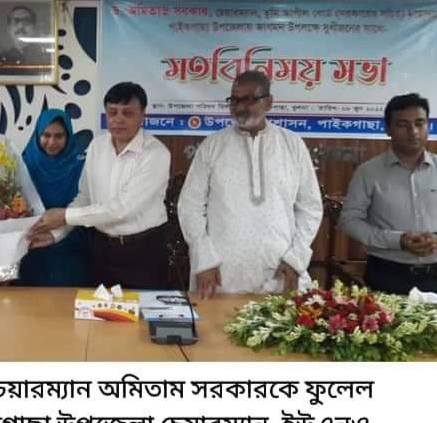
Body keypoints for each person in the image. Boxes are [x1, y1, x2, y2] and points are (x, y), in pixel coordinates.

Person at [178, 70, 323, 298]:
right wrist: (203, 259)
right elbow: (190, 206)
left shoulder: (292, 145)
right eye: (234, 100)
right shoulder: (212, 146)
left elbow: (310, 208)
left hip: (280, 270)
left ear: (269, 102)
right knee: (215, 322)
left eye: (249, 100)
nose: (240, 107)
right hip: (220, 273)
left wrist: (296, 259)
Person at [29, 82, 171, 289]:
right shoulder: (97, 146)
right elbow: (85, 197)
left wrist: (64, 216)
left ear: (142, 115)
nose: (118, 119)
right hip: (101, 249)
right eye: (112, 112)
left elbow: (122, 209)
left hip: (142, 250)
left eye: (127, 113)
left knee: (142, 308)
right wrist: (57, 234)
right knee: (100, 308)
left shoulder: (156, 154)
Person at [340, 93, 437, 294]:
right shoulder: (368, 172)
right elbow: (349, 221)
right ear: (388, 128)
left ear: (428, 126)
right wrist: (397, 240)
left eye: (420, 123)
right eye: (403, 124)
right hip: (387, 275)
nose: (413, 132)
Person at [18, 109, 90, 286]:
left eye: (59, 136)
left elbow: (85, 204)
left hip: (70, 248)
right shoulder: (24, 164)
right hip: (32, 246)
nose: (51, 142)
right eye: (46, 135)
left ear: (68, 136)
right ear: (38, 135)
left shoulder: (81, 164)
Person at [0, 5, 51, 76]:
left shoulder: (46, 57)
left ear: (34, 28)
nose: (21, 26)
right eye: (16, 21)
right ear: (9, 29)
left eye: (26, 21)